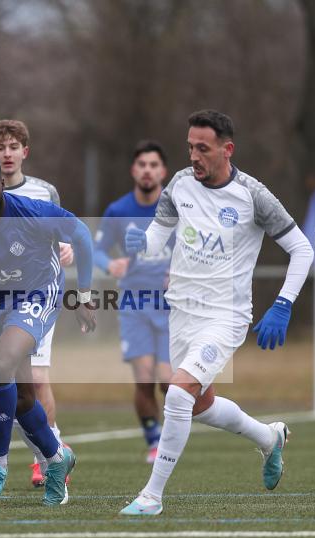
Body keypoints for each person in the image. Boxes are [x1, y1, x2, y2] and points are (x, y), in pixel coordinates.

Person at [120, 110, 314, 516]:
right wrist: (143, 245)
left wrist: (283, 303)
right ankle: (269, 437)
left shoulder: (253, 196)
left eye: (202, 148)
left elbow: (302, 249)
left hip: (225, 317)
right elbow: (158, 238)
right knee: (198, 404)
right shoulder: (179, 184)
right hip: (182, 313)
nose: (193, 155)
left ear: (227, 150)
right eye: (190, 146)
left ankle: (152, 496)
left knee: (175, 393)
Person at [0, 153, 96, 506]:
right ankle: (57, 459)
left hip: (38, 293)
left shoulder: (31, 212)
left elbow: (83, 235)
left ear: (1, 184)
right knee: (22, 398)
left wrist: (86, 295)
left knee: (1, 367)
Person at [0, 119, 74, 488]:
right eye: (0, 147)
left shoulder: (43, 192)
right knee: (9, 384)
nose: (7, 153)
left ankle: (45, 460)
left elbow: (61, 232)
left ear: (25, 151)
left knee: (36, 377)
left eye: (13, 146)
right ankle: (51, 453)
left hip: (39, 294)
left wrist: (65, 246)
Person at [94, 140, 173, 463]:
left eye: (154, 165)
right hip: (134, 303)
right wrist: (109, 264)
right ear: (133, 170)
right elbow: (98, 249)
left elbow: (197, 245)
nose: (147, 170)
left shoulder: (178, 206)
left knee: (168, 380)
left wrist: (181, 271)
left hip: (173, 305)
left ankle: (172, 436)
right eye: (142, 164)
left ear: (163, 171)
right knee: (144, 377)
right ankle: (154, 440)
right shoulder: (118, 210)